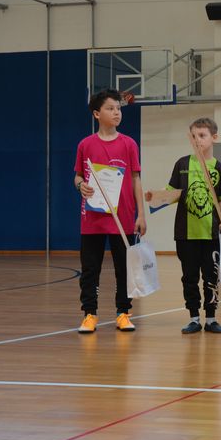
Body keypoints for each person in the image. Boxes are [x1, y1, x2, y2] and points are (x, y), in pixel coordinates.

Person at [74, 88, 146, 333]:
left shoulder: (129, 144)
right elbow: (78, 176)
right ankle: (89, 314)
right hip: (92, 217)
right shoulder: (85, 145)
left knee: (123, 269)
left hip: (123, 217)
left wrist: (141, 214)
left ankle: (123, 313)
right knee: (90, 269)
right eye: (110, 108)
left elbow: (136, 179)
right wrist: (80, 185)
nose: (117, 113)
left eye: (118, 108)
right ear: (97, 114)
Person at [165, 117, 221, 334]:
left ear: (214, 138)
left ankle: (211, 318)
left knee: (211, 277)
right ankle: (193, 317)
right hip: (185, 233)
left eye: (202, 135)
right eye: (194, 136)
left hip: (211, 233)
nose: (197, 140)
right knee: (189, 277)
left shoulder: (220, 169)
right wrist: (156, 197)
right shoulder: (182, 165)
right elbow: (172, 194)